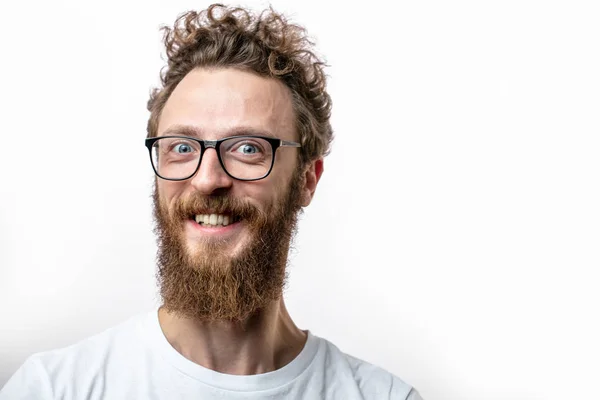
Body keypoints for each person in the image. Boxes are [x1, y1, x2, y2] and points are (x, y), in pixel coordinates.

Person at [0, 4, 422, 399]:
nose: (207, 179)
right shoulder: (53, 389)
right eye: (182, 148)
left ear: (307, 180)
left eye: (248, 148)